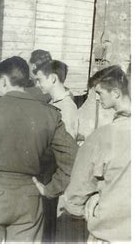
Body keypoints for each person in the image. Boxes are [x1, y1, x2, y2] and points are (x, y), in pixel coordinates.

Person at [0, 56, 78, 242]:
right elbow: (73, 158)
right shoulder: (49, 114)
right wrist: (51, 189)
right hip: (30, 197)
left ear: (4, 80)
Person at [63, 65, 130, 242]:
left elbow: (76, 194)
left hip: (109, 233)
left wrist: (95, 197)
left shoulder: (104, 136)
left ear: (115, 93)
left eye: (99, 93)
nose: (97, 99)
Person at [34, 60, 88, 242]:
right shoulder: (53, 102)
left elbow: (66, 151)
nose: (38, 84)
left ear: (53, 78)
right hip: (45, 169)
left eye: (40, 79)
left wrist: (53, 184)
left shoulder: (66, 108)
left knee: (47, 224)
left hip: (52, 173)